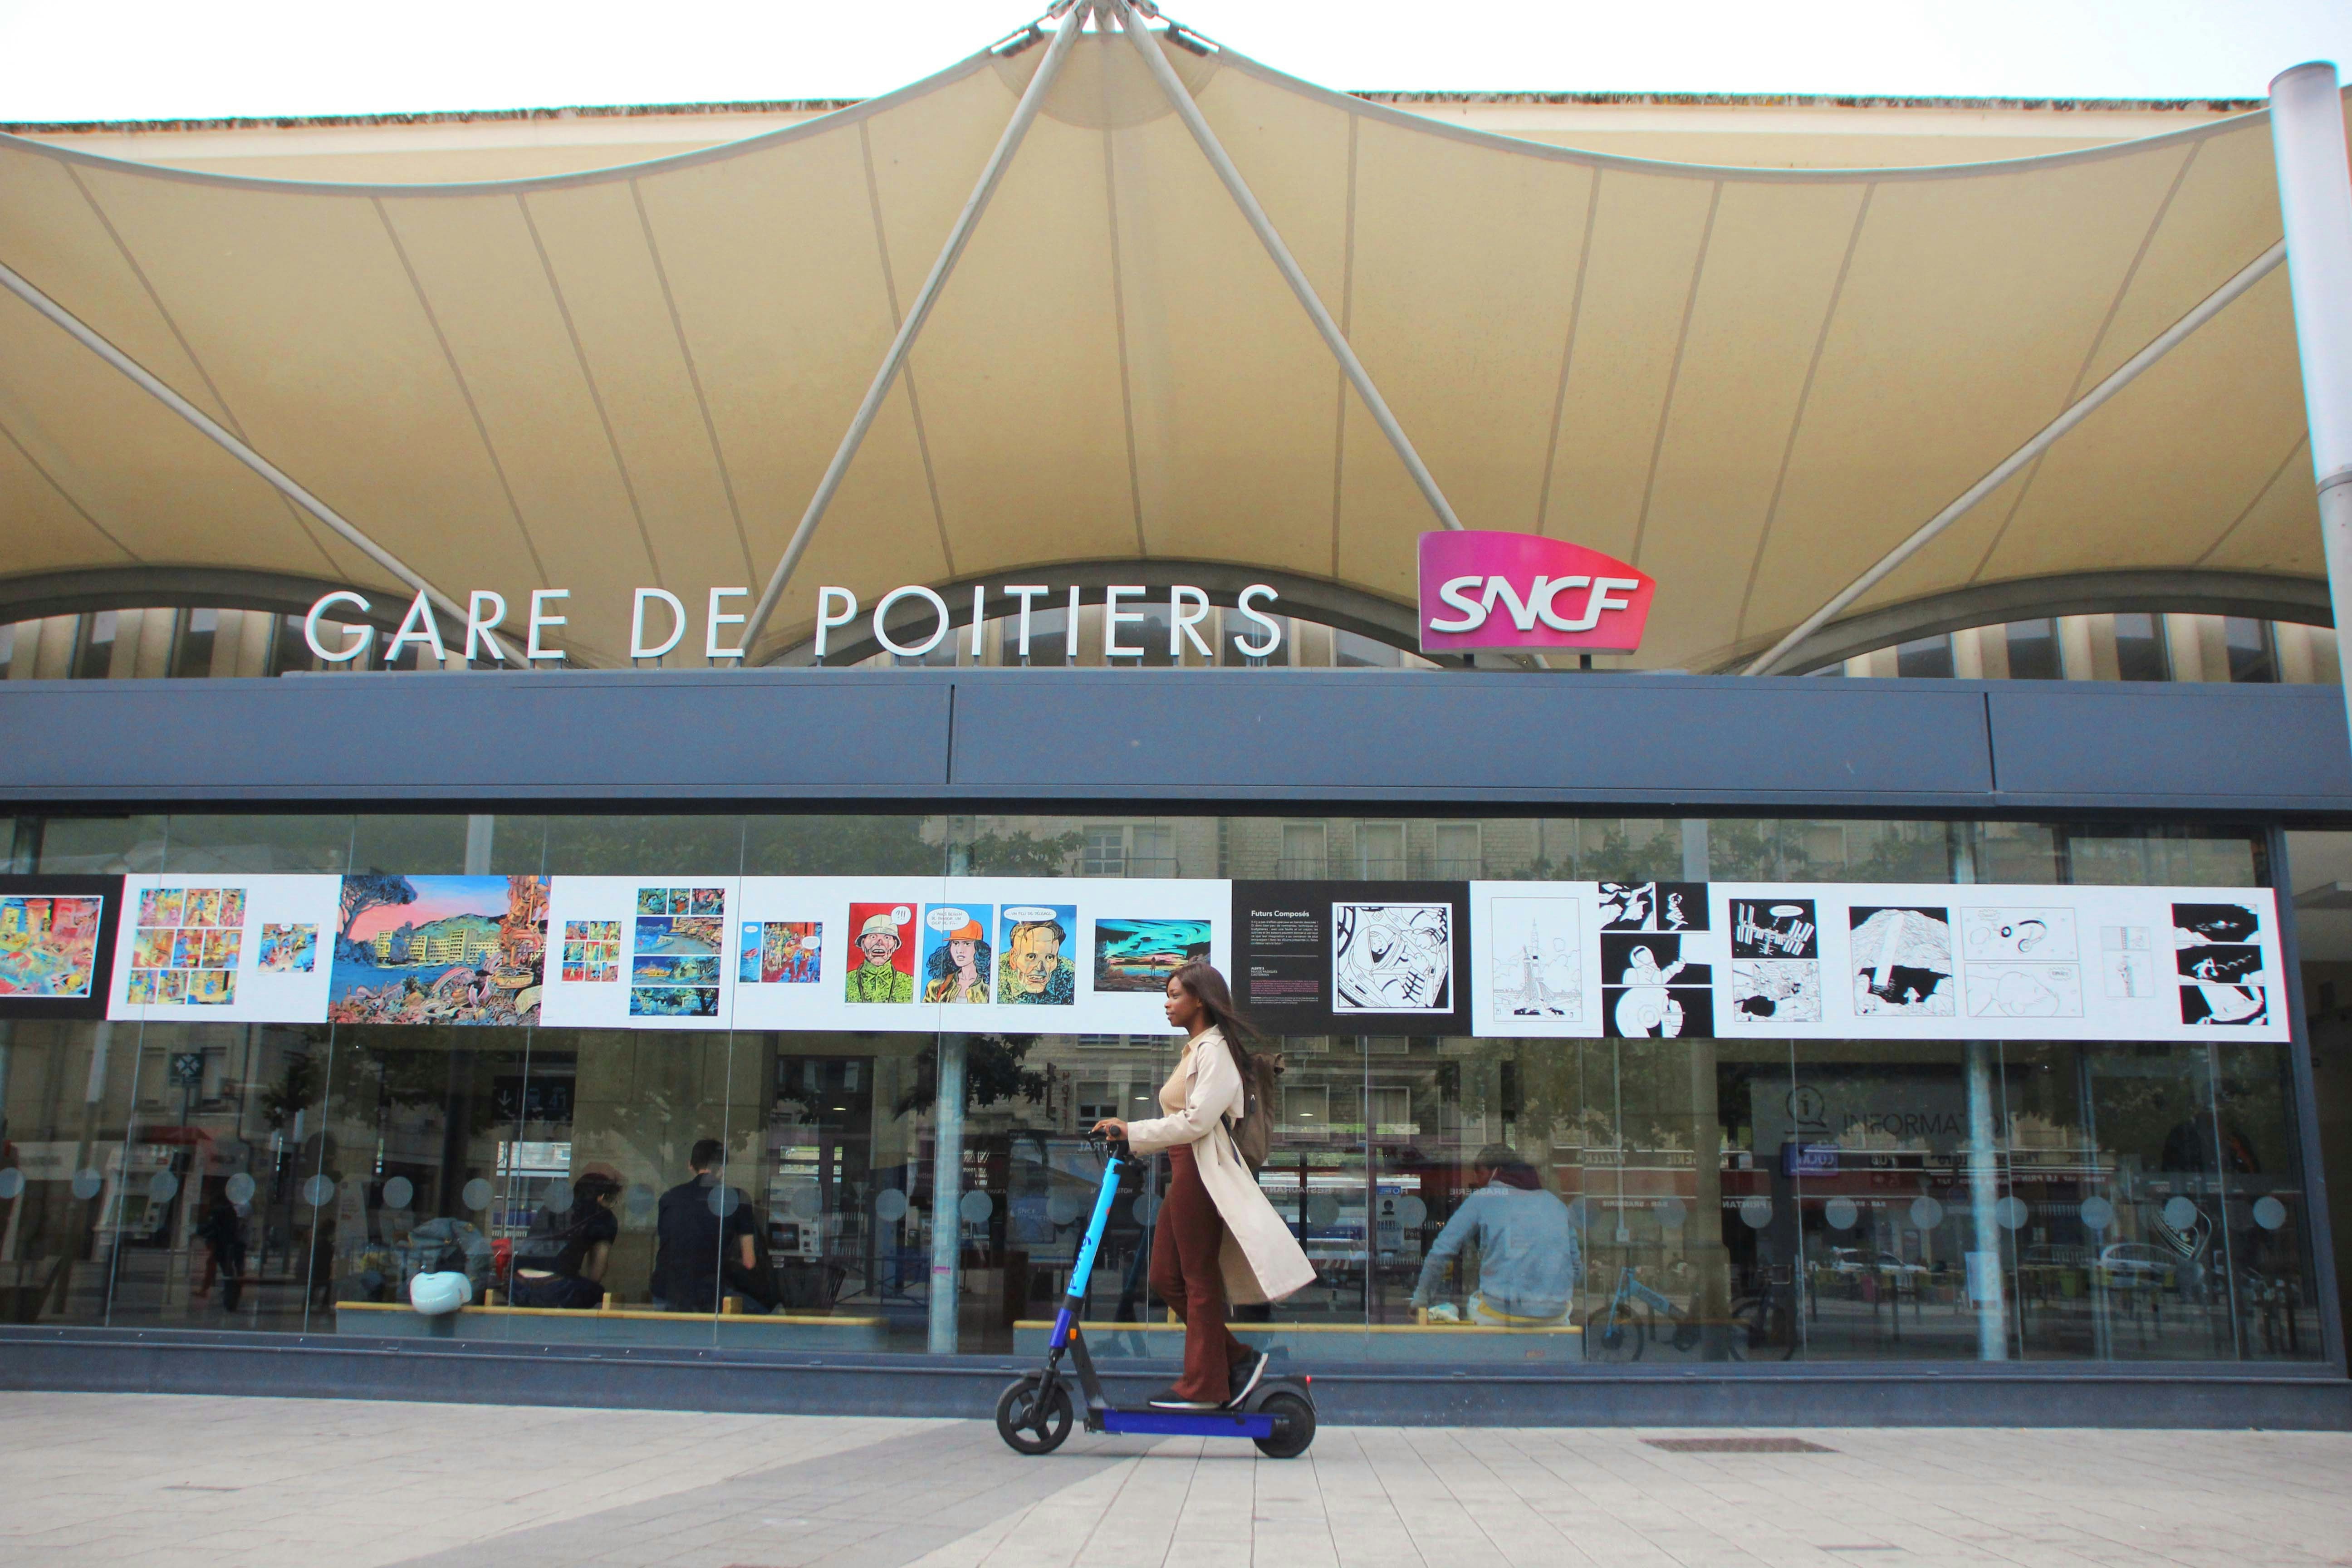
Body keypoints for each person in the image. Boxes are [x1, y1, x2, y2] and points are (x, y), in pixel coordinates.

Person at [1091, 961, 1314, 1411]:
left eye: (1175, 994)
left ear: (1200, 1000)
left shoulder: (1217, 1053)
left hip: (1200, 1170)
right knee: (1164, 1277)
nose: (1167, 1003)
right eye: (1167, 994)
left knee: (1197, 1279)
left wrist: (1132, 1133)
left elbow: (1197, 1122)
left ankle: (1204, 1385)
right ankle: (1236, 1359)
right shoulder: (1196, 1051)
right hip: (1184, 1168)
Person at [1409, 1145, 1578, 1327]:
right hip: (1555, 1315)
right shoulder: (1556, 1205)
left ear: (1498, 1172)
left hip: (1499, 1313)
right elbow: (1576, 1267)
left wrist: (1421, 1300)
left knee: (1461, 1309)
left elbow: (1442, 1251)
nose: (1478, 1182)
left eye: (1480, 1174)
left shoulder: (1483, 1198)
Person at [649, 1139, 758, 1313]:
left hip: (666, 1291)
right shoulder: (737, 1198)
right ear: (722, 1169)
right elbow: (749, 1262)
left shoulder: (669, 1198)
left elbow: (667, 1245)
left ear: (690, 1166)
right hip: (710, 1295)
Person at [509, 1169, 622, 1309]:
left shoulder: (549, 1208)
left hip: (516, 1285)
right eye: (611, 1201)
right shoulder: (604, 1217)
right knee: (596, 1292)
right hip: (556, 1288)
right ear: (601, 1197)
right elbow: (597, 1273)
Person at [999, 918, 1076, 1004]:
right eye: (1031, 957)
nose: (1040, 968)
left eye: (1049, 957)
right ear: (1014, 959)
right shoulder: (991, 972)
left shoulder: (1071, 975)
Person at [193, 1191, 245, 1312]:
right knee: (224, 1269)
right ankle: (225, 1293)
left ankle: (220, 1293)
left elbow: (212, 1227)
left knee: (218, 1267)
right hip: (228, 1245)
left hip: (220, 1245)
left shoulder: (218, 1212)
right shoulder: (231, 1211)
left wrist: (201, 1231)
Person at [847, 912, 914, 1003]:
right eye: (873, 937)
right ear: (863, 944)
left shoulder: (909, 983)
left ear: (894, 946)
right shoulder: (846, 980)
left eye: (887, 938)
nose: (880, 943)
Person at [923, 918, 991, 1004]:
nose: (959, 950)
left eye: (967, 944)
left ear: (979, 948)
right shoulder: (936, 986)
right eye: (955, 943)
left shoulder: (988, 987)